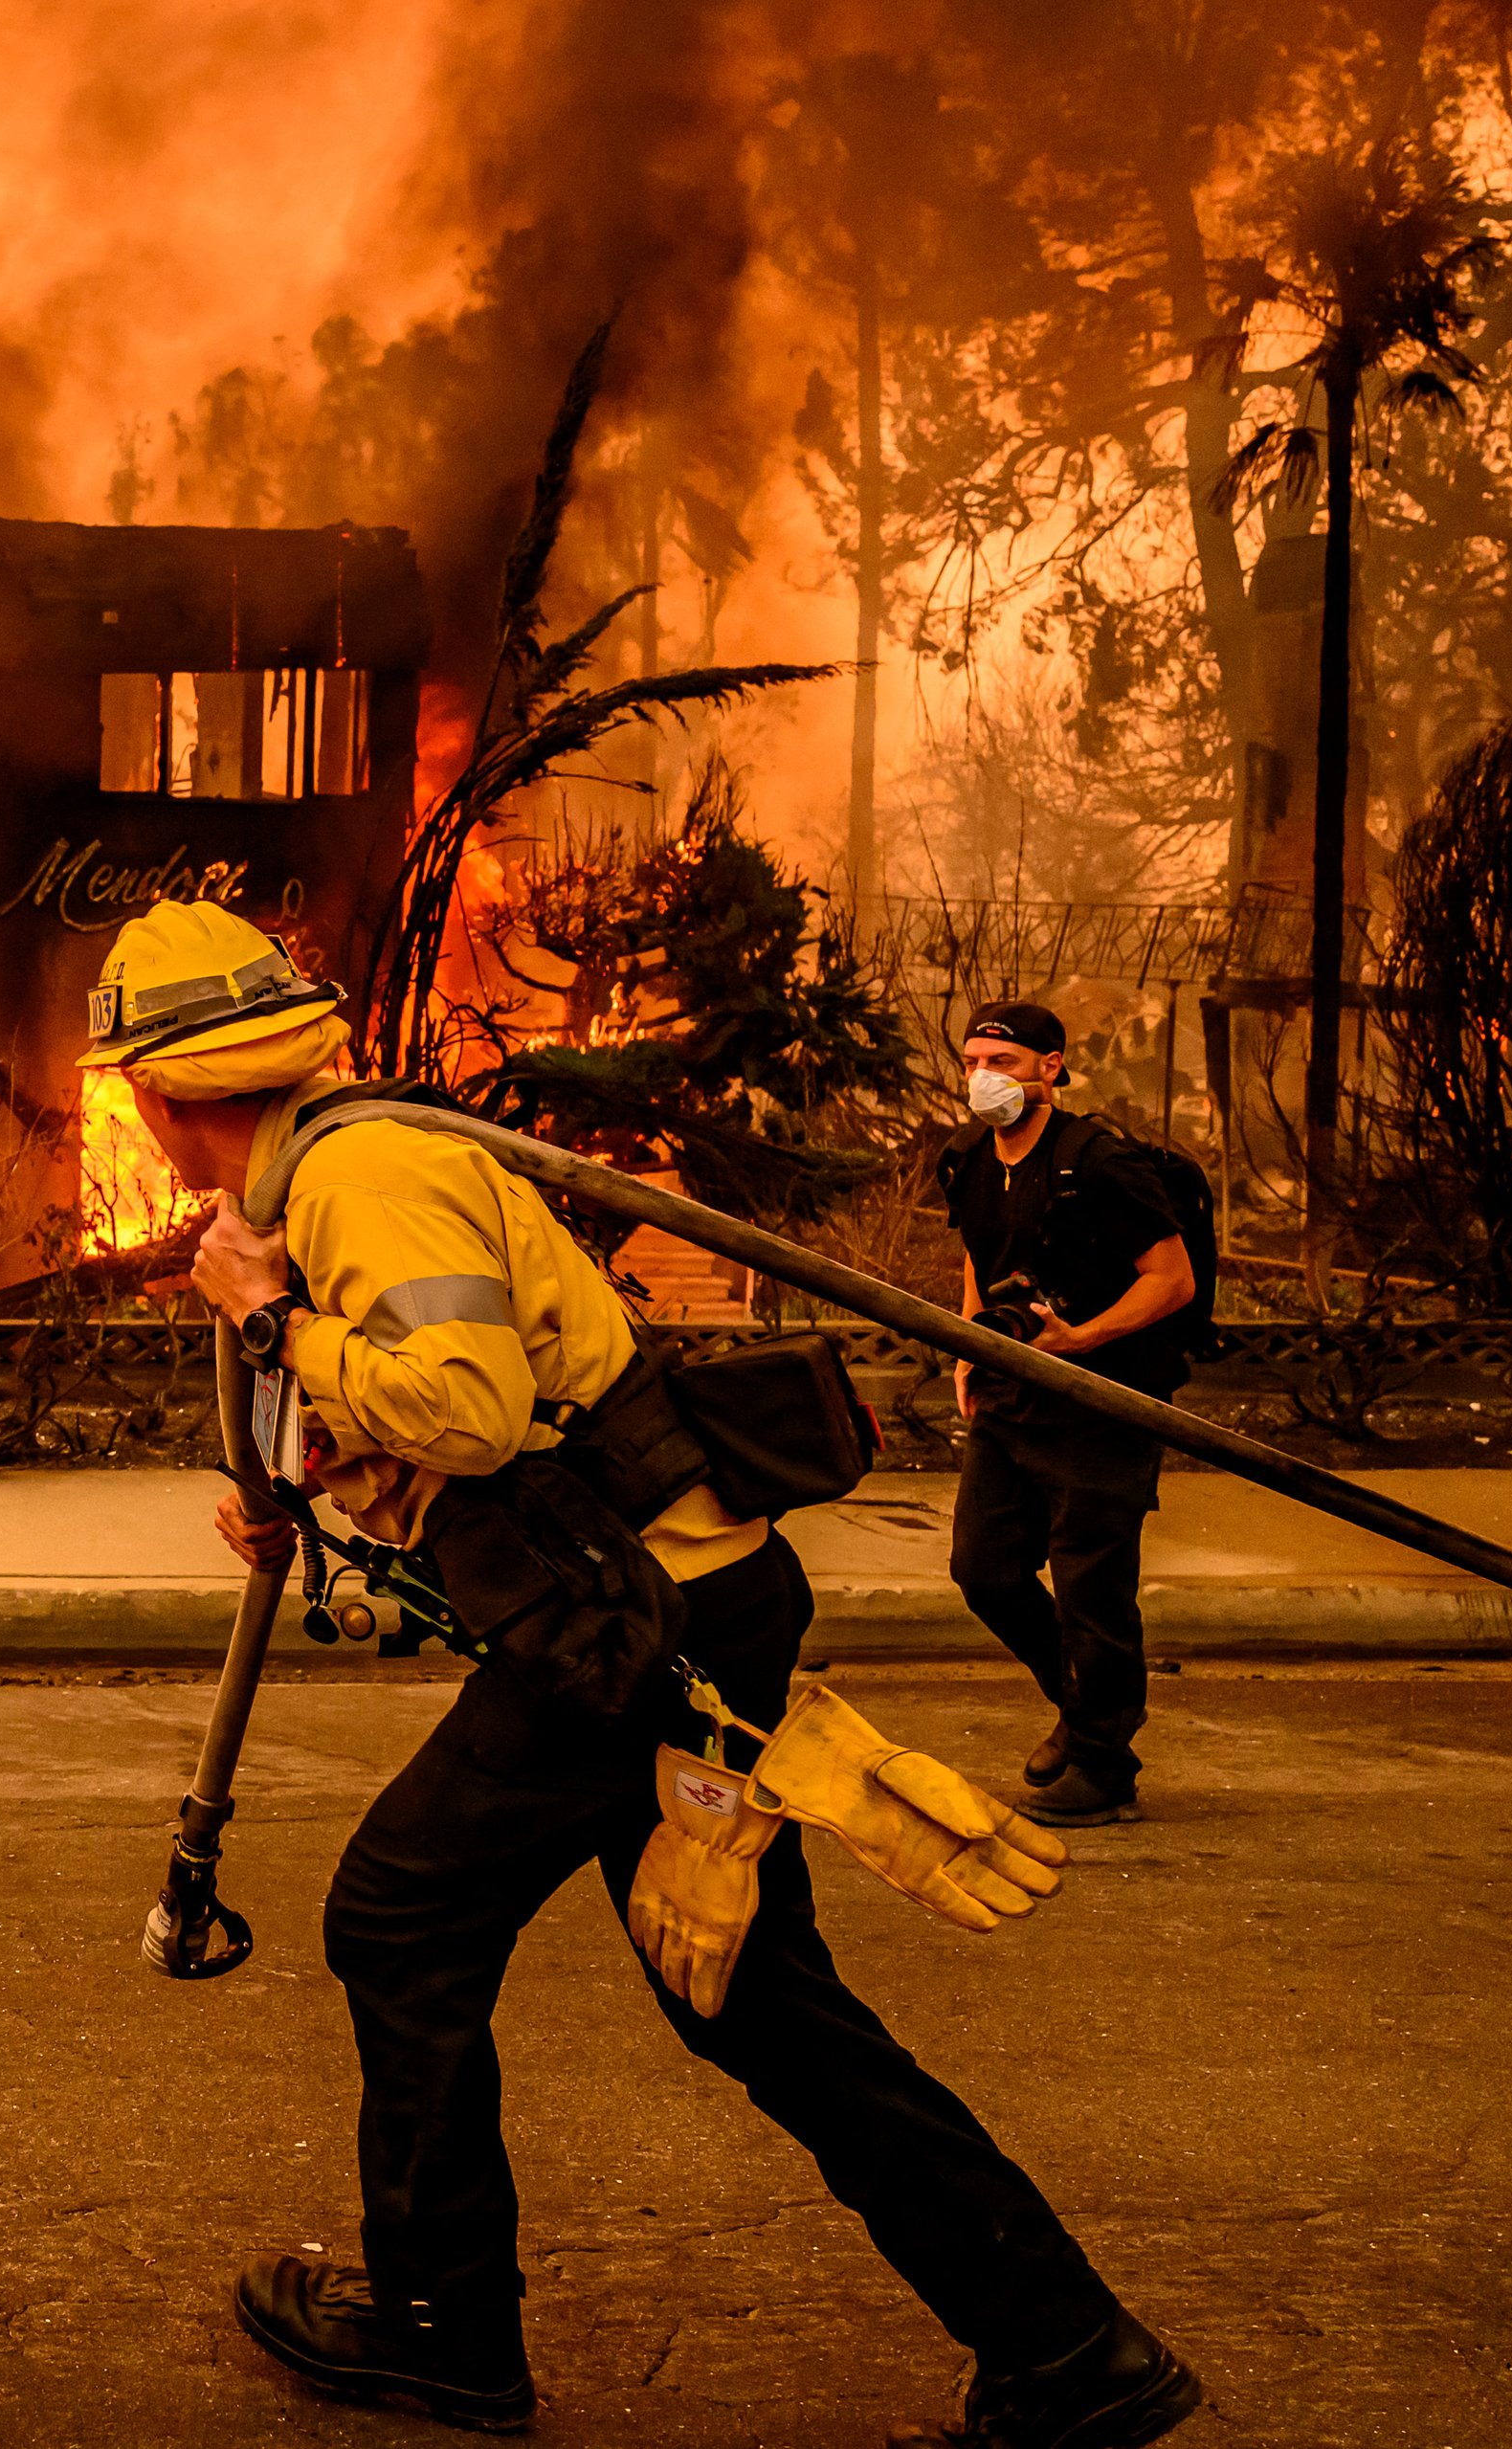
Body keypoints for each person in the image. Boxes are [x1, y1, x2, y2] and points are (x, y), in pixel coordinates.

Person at [84, 900, 1198, 2445]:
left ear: (161, 1091)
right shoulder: (346, 1163)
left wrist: (272, 1317)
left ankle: (443, 2321)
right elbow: (477, 1411)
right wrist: (323, 1467)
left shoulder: (359, 1174)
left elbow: (466, 1406)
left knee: (398, 1910)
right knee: (755, 2003)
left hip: (637, 1630)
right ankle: (1070, 2345)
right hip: (673, 1606)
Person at [935, 1000, 1200, 1829]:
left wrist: (1080, 1339)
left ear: (1051, 1066)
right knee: (985, 1569)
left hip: (1102, 1401)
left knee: (1093, 1586)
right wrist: (967, 1346)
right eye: (974, 1061)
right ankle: (1085, 1710)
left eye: (1003, 1063)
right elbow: (983, 1259)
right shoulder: (967, 1157)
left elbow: (1172, 1278)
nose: (985, 1078)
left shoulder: (1100, 1162)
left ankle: (1105, 1763)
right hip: (1010, 1396)